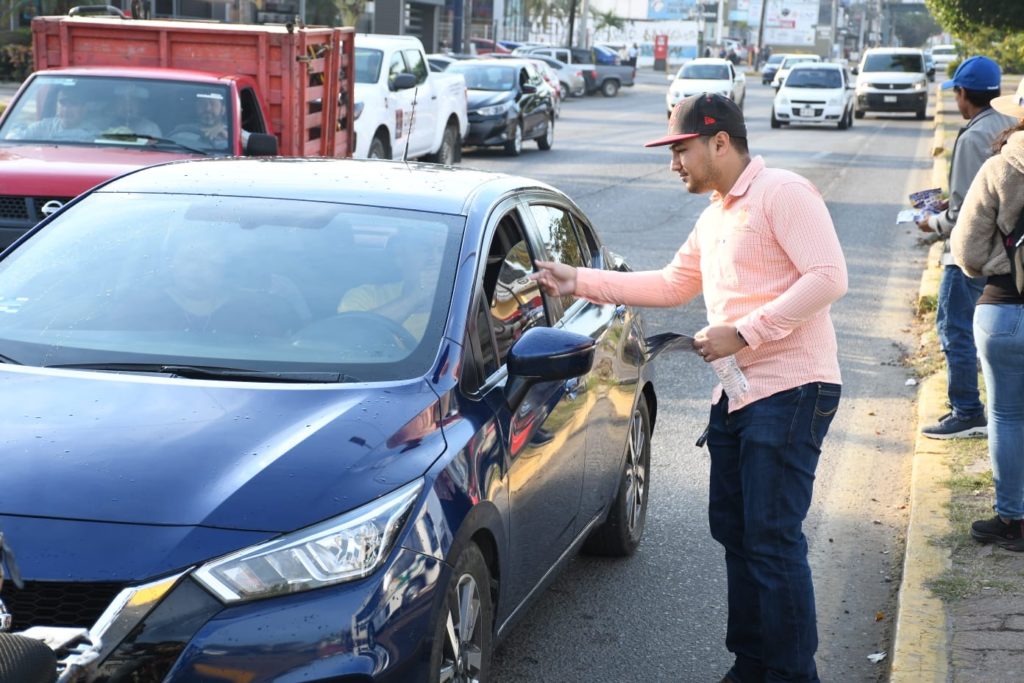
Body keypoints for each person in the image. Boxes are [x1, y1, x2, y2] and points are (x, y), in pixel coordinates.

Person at [531, 93, 848, 683]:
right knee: (736, 532)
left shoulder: (782, 192)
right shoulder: (717, 213)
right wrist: (578, 281)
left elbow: (829, 277)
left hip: (792, 390)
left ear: (719, 142)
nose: (673, 163)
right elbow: (673, 283)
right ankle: (752, 665)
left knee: (772, 539)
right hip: (736, 394)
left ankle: (789, 674)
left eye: (681, 150)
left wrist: (745, 332)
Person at [916, 56, 1015, 439]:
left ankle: (967, 410)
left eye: (955, 93)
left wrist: (932, 222)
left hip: (970, 252)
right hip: (1006, 251)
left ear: (962, 93)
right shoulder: (1006, 124)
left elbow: (963, 215)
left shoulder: (973, 136)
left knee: (954, 327)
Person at [950, 79, 1024, 551]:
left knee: (1007, 417)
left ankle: (1013, 520)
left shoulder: (1000, 167)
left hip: (1004, 311)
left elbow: (967, 250)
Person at [337, 229, 446, 340]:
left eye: (442, 250)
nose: (435, 259)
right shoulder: (365, 296)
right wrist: (416, 297)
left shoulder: (456, 310)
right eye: (425, 249)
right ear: (400, 257)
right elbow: (345, 338)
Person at [13, 86, 100, 141]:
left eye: (73, 104)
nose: (66, 110)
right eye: (63, 104)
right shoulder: (45, 127)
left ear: (84, 109)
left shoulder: (92, 134)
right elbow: (16, 138)